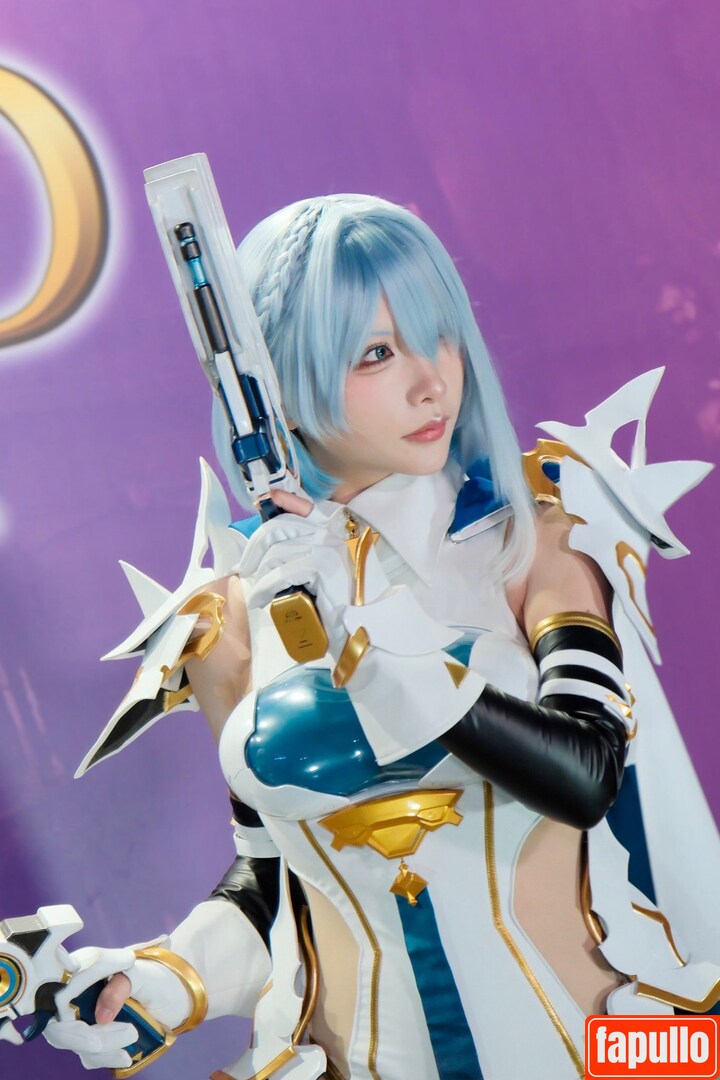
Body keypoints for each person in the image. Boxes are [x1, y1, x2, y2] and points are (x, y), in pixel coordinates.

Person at [43, 195, 720, 1080]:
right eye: (375, 354)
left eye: (439, 336)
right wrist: (161, 985)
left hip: (586, 1053)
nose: (432, 381)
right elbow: (273, 884)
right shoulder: (229, 620)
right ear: (279, 385)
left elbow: (589, 773)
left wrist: (383, 649)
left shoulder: (534, 541)